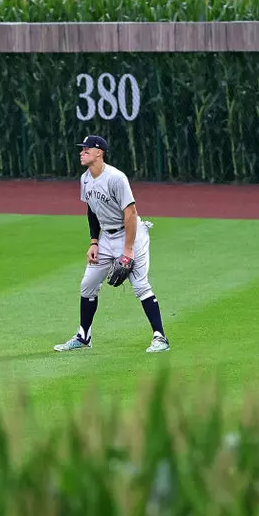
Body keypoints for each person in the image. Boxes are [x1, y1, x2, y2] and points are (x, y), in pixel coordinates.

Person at [54, 135, 170, 353]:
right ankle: (83, 337)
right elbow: (91, 210)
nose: (82, 152)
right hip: (106, 237)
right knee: (88, 286)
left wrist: (127, 250)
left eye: (86, 150)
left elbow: (131, 213)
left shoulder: (116, 178)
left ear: (99, 152)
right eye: (82, 150)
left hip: (132, 235)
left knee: (140, 286)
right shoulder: (85, 179)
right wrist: (94, 242)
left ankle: (160, 338)